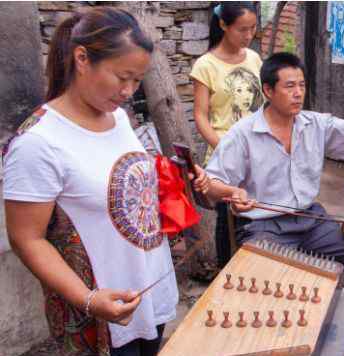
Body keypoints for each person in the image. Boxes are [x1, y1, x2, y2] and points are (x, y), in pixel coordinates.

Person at [2, 8, 209, 356]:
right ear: (82, 58)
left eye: (138, 80)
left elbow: (126, 184)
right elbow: (27, 239)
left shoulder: (118, 119)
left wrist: (182, 176)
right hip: (99, 314)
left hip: (148, 292)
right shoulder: (38, 143)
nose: (129, 90)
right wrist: (89, 299)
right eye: (122, 77)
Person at [205, 52, 344, 355]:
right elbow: (211, 184)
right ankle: (275, 346)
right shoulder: (243, 134)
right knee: (279, 276)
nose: (298, 93)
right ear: (268, 90)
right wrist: (232, 192)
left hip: (311, 220)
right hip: (264, 227)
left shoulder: (314, 124)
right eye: (289, 86)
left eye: (301, 85)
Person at [190, 2, 263, 267]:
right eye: (242, 29)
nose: (248, 36)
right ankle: (225, 274)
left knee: (256, 213)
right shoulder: (205, 65)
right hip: (224, 152)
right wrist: (226, 146)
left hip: (258, 151)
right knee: (228, 220)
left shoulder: (254, 58)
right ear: (223, 25)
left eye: (253, 29)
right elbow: (201, 116)